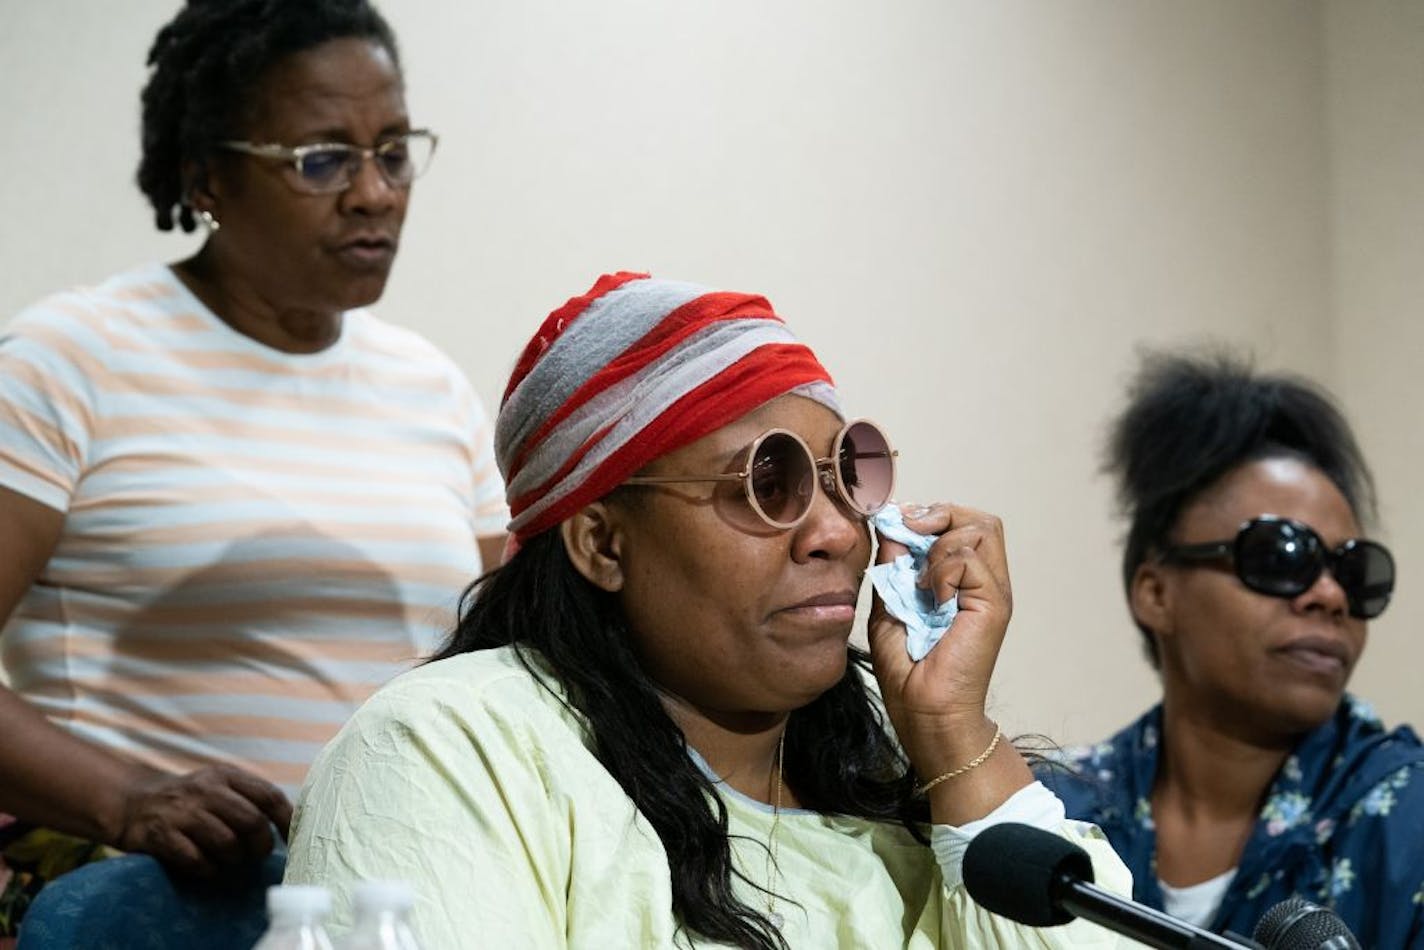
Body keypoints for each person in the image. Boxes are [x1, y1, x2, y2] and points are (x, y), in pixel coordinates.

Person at [285, 272, 1133, 948]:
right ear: (602, 544)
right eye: (768, 484)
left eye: (846, 475)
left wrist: (953, 734)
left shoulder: (904, 797)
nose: (836, 532)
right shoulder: (450, 746)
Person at [0, 0, 506, 935]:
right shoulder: (67, 360)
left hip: (390, 893)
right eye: (322, 159)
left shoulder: (432, 388)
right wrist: (129, 799)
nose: (373, 192)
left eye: (393, 152)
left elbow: (511, 657)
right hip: (142, 893)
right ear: (206, 179)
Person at [1040, 352, 1423, 947]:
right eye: (1281, 555)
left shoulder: (1408, 821)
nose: (1329, 596)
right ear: (1157, 591)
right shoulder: (1056, 811)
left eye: (1354, 571)